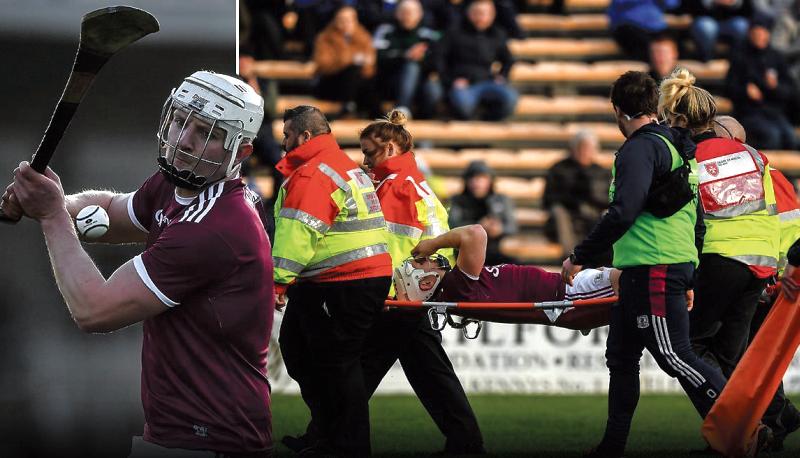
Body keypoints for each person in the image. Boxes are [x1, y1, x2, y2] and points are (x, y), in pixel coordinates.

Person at [1, 71, 275, 456]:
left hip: (213, 440)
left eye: (208, 134)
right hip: (176, 434)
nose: (183, 141)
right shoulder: (180, 185)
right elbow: (114, 211)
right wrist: (55, 203)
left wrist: (50, 216)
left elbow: (94, 309)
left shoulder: (215, 227)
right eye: (180, 121)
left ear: (241, 153)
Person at [282, 109, 485, 454]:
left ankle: (327, 439)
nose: (364, 160)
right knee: (426, 373)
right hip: (401, 296)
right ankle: (466, 443)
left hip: (396, 298)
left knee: (356, 370)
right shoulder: (396, 184)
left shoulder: (401, 188)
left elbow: (411, 247)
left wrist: (393, 291)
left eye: (369, 152)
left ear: (390, 148)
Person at [560, 70, 727, 458]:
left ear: (618, 111)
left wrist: (579, 256)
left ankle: (741, 425)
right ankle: (613, 445)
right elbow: (696, 218)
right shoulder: (677, 146)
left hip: (655, 265)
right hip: (652, 267)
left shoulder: (639, 148)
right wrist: (690, 270)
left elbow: (623, 212)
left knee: (675, 355)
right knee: (621, 358)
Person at [274, 105, 393, 456]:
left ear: (304, 136)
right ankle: (327, 434)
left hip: (342, 281)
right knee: (300, 351)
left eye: (286, 136)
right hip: (345, 280)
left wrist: (278, 282)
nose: (283, 143)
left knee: (336, 363)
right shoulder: (337, 166)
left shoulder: (314, 173)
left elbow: (299, 233)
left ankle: (346, 445)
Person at [659, 69, 781, 384]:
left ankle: (733, 421)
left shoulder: (686, 161)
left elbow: (683, 216)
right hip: (762, 262)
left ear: (681, 121)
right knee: (731, 357)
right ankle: (753, 428)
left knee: (688, 346)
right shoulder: (753, 154)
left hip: (720, 258)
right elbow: (771, 208)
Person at [713, 114, 800, 451]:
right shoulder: (763, 175)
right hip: (766, 277)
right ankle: (775, 421)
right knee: (746, 357)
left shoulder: (764, 176)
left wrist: (776, 275)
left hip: (774, 281)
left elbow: (788, 229)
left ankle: (775, 418)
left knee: (735, 356)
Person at [401, 224, 620, 331]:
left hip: (567, 295)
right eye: (421, 262)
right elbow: (475, 233)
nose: (428, 258)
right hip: (569, 297)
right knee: (639, 278)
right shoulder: (457, 287)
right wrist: (433, 243)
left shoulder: (455, 288)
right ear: (426, 282)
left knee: (639, 283)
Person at [726, 12, 800, 150]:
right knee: (772, 136)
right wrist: (745, 91)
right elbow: (729, 86)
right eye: (756, 32)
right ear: (750, 34)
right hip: (750, 112)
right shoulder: (740, 55)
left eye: (763, 32)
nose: (760, 36)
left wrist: (775, 87)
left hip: (775, 112)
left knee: (791, 138)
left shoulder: (776, 57)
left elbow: (791, 91)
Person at [438, 0, 518, 121]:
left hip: (487, 82)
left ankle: (488, 122)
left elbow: (508, 60)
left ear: (492, 15)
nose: (481, 17)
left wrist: (502, 76)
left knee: (511, 98)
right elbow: (439, 59)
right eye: (477, 12)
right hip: (462, 84)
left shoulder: (497, 34)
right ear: (469, 13)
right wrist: (451, 80)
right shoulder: (454, 32)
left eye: (486, 13)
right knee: (463, 105)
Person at [544, 130, 612, 255]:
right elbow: (548, 199)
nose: (584, 151)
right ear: (573, 149)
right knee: (559, 212)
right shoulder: (559, 169)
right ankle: (572, 257)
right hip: (567, 214)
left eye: (588, 148)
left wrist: (593, 198)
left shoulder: (602, 172)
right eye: (581, 147)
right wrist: (572, 199)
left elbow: (610, 199)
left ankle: (601, 256)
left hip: (594, 213)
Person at [373, 0, 443, 119]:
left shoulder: (429, 34)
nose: (408, 15)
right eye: (404, 12)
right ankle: (401, 111)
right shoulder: (385, 30)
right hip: (390, 80)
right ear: (397, 13)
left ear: (420, 14)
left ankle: (424, 122)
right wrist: (406, 56)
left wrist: (422, 58)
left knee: (433, 89)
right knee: (411, 66)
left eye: (412, 12)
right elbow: (378, 58)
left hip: (421, 82)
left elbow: (439, 62)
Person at [313, 6, 379, 118]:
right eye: (341, 20)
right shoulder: (325, 37)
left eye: (349, 20)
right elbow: (323, 65)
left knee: (363, 78)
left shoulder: (364, 37)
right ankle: (377, 113)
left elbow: (370, 66)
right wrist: (350, 59)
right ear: (335, 20)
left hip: (356, 85)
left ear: (355, 21)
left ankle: (354, 106)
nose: (345, 23)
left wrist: (363, 62)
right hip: (330, 83)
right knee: (353, 69)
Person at [448, 160, 518, 266]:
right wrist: (478, 226)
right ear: (466, 181)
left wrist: (500, 228)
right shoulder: (457, 201)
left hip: (494, 251)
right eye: (473, 178)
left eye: (482, 178)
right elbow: (451, 226)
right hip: (465, 254)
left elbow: (512, 226)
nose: (477, 182)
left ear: (490, 180)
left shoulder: (501, 200)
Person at [607, 0, 681, 62]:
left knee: (679, 46)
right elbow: (615, 10)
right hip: (631, 27)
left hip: (657, 27)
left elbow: (672, 4)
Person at [685, 0, 751, 62]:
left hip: (730, 20)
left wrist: (734, 2)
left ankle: (738, 59)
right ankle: (707, 59)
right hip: (705, 18)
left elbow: (748, 9)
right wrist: (712, 1)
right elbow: (691, 7)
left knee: (742, 25)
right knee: (707, 27)